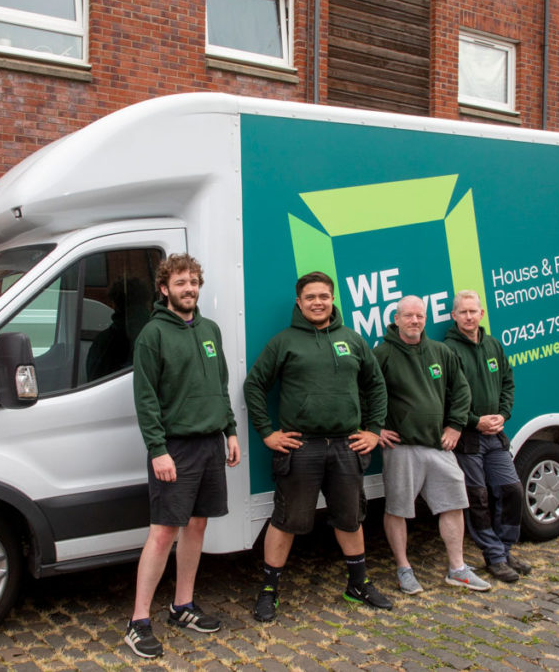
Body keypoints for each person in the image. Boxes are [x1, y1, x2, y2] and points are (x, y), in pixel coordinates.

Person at [243, 271, 392, 622]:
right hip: (301, 447)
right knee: (286, 520)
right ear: (299, 301)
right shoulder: (284, 342)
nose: (317, 302)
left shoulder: (352, 340)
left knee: (350, 518)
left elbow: (376, 386)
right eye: (310, 297)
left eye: (324, 296)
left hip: (346, 446)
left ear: (332, 299)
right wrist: (267, 433)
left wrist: (373, 431)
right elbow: (254, 386)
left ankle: (358, 584)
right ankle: (269, 591)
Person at [124, 254, 241, 659]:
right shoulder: (152, 335)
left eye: (193, 282)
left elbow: (220, 384)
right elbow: (146, 400)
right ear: (164, 289)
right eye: (180, 283)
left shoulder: (210, 330)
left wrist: (230, 430)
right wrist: (158, 450)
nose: (188, 288)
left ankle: (182, 606)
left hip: (211, 444)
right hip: (174, 449)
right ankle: (138, 621)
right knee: (162, 533)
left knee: (197, 526)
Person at [374, 296, 491, 594]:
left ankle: (458, 568)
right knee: (398, 509)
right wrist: (375, 428)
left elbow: (461, 392)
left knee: (453, 504)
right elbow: (363, 392)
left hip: (440, 446)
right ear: (396, 319)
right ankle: (404, 569)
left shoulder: (441, 352)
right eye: (408, 316)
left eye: (420, 316)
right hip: (401, 447)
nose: (415, 321)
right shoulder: (382, 354)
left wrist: (454, 426)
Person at [443, 290, 530, 583]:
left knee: (512, 491)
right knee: (478, 499)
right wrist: (473, 421)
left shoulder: (494, 345)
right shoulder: (447, 350)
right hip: (469, 439)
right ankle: (493, 557)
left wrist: (503, 415)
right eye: (463, 312)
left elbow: (508, 382)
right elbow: (444, 398)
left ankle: (505, 550)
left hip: (496, 437)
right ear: (454, 316)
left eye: (473, 311)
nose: (469, 316)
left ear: (482, 314)